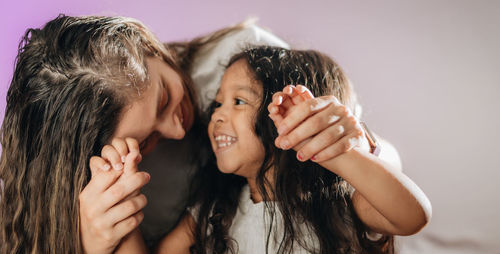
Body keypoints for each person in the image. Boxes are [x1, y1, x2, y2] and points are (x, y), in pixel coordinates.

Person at [0, 15, 383, 253]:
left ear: (149, 46)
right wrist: (88, 245)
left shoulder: (238, 63)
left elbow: (375, 169)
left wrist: (356, 143)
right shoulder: (89, 189)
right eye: (144, 140)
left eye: (165, 96)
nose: (177, 126)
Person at [98, 46, 431, 253]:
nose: (216, 116)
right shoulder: (214, 214)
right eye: (217, 104)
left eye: (238, 101)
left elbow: (412, 216)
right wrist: (121, 197)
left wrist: (333, 148)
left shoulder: (338, 205)